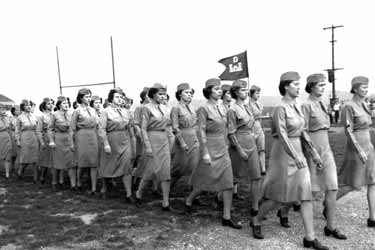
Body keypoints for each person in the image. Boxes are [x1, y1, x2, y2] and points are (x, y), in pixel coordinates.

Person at [251, 72, 329, 250]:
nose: (299, 86)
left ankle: (310, 238)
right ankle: (256, 219)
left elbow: (302, 131)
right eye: (295, 84)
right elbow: (283, 134)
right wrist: (295, 156)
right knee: (279, 197)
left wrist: (313, 152)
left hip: (298, 150)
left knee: (305, 194)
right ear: (285, 86)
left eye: (299, 83)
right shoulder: (280, 107)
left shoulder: (297, 105)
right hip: (283, 153)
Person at [186, 78, 241, 229]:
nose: (220, 91)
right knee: (205, 180)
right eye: (216, 89)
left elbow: (227, 127)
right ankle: (189, 199)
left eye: (220, 89)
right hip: (209, 146)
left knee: (228, 182)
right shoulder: (204, 108)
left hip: (222, 147)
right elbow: (201, 130)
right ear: (209, 91)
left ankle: (226, 216)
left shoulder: (223, 107)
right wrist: (205, 152)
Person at [301, 73, 346, 239]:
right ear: (311, 86)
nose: (323, 87)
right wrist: (313, 153)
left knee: (333, 187)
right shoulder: (306, 105)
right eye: (320, 85)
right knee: (310, 190)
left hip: (326, 149)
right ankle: (283, 209)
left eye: (323, 85)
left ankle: (331, 227)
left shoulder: (322, 103)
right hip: (313, 150)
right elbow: (303, 131)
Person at [337, 76, 375, 228]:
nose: (366, 90)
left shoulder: (364, 104)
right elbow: (348, 131)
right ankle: (329, 204)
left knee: (373, 181)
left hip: (368, 146)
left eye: (367, 87)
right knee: (353, 184)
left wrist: (368, 148)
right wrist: (359, 150)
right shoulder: (349, 106)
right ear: (355, 89)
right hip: (356, 148)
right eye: (364, 88)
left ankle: (372, 218)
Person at [227, 79, 262, 218]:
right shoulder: (232, 109)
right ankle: (224, 203)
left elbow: (251, 123)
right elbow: (230, 132)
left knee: (257, 177)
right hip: (238, 144)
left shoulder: (247, 107)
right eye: (242, 90)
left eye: (246, 89)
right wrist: (240, 149)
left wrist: (252, 135)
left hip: (250, 142)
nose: (246, 92)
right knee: (234, 178)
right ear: (235, 92)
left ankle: (255, 208)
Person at [135, 83, 173, 210]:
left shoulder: (166, 109)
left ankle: (165, 202)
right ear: (152, 95)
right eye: (160, 94)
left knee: (166, 171)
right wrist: (148, 146)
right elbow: (143, 128)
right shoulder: (147, 108)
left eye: (164, 94)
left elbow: (169, 126)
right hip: (152, 139)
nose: (163, 96)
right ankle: (139, 193)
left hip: (164, 140)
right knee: (151, 170)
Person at [98, 88, 136, 202]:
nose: (120, 99)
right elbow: (101, 129)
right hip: (111, 140)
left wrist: (133, 142)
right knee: (108, 165)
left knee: (127, 167)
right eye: (117, 97)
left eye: (121, 97)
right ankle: (104, 188)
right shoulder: (106, 111)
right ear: (111, 99)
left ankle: (128, 194)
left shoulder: (127, 112)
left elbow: (130, 128)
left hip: (125, 140)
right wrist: (105, 144)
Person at [170, 83, 199, 188]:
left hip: (193, 138)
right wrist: (182, 142)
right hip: (182, 139)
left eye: (191, 93)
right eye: (186, 92)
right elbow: (175, 127)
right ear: (180, 94)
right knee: (179, 168)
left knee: (195, 167)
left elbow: (196, 123)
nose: (189, 94)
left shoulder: (192, 107)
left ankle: (193, 194)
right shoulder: (176, 108)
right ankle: (166, 190)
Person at [71, 88, 99, 194]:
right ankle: (78, 183)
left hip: (92, 135)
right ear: (81, 98)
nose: (88, 98)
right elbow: (72, 128)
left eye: (89, 96)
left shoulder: (93, 110)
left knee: (93, 163)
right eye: (86, 97)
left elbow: (97, 124)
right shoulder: (77, 111)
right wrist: (72, 143)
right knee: (82, 162)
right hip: (81, 136)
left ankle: (94, 188)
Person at [48, 96, 75, 191]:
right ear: (59, 105)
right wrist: (51, 140)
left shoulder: (72, 114)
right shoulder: (55, 114)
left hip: (69, 138)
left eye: (67, 103)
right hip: (58, 139)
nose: (66, 104)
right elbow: (50, 128)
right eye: (64, 103)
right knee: (57, 162)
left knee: (70, 162)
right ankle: (55, 182)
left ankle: (73, 184)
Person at [15, 99, 39, 183]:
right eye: (26, 105)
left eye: (30, 105)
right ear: (23, 107)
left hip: (34, 137)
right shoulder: (19, 117)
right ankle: (20, 172)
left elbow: (37, 129)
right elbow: (17, 130)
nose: (28, 106)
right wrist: (18, 140)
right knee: (25, 157)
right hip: (24, 138)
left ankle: (35, 177)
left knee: (35, 157)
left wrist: (39, 139)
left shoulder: (35, 116)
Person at [36, 98, 54, 186]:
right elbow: (38, 130)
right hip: (46, 138)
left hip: (55, 137)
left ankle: (55, 178)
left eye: (52, 103)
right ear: (44, 105)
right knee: (45, 158)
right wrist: (42, 142)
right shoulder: (41, 116)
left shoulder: (54, 114)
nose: (51, 105)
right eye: (48, 104)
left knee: (55, 157)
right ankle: (42, 176)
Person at [249, 85, 266, 175]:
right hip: (251, 127)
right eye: (256, 93)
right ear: (251, 94)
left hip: (259, 126)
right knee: (252, 150)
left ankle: (263, 168)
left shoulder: (259, 104)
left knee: (262, 149)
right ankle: (253, 169)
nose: (258, 95)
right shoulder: (247, 104)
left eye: (259, 93)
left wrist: (261, 128)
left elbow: (260, 118)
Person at [0, 104, 12, 179]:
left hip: (6, 136)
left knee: (8, 154)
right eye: (1, 109)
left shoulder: (7, 118)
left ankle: (7, 173)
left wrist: (4, 117)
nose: (2, 110)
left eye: (3, 109)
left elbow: (9, 127)